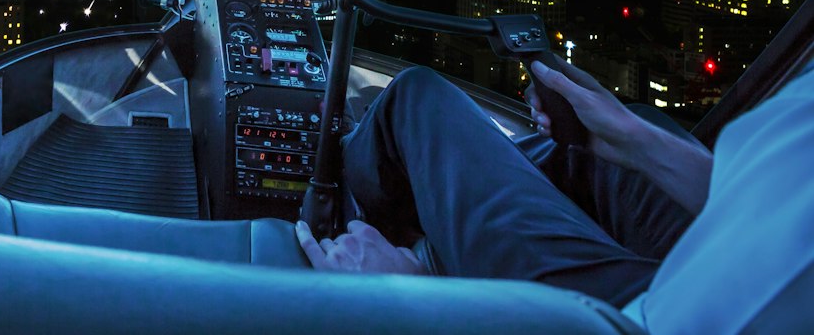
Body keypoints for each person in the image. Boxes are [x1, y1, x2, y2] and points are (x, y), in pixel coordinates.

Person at [294, 58, 814, 332]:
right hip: (735, 245)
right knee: (606, 144)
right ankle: (453, 232)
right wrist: (629, 138)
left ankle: (342, 201)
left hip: (638, 316)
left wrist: (415, 303)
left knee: (417, 98)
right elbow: (777, 198)